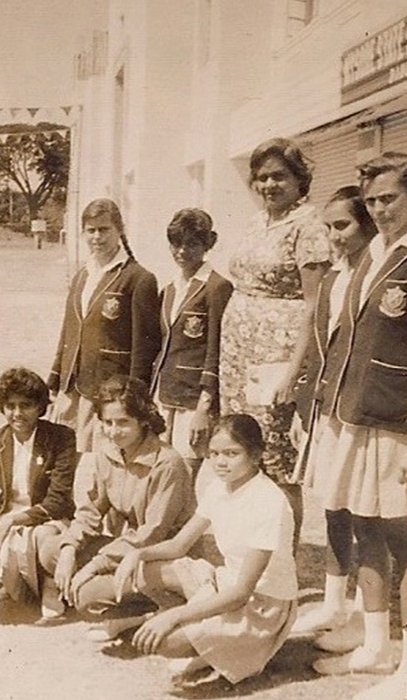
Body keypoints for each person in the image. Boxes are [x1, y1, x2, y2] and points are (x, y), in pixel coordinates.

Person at [307, 153, 407, 700]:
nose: (380, 209)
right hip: (355, 411)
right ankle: (375, 645)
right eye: (372, 201)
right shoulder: (371, 257)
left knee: (404, 537)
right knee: (364, 523)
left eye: (389, 198)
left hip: (397, 419)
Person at [111, 414, 297, 688]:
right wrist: (136, 554)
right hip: (226, 584)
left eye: (232, 453)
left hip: (262, 605)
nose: (221, 462)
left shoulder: (268, 502)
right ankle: (208, 643)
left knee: (163, 643)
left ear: (256, 455)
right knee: (146, 571)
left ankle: (229, 648)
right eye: (214, 454)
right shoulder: (218, 487)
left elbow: (242, 593)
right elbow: (179, 545)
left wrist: (173, 616)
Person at [219, 137, 330, 542]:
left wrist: (293, 371)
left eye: (279, 176)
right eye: (262, 178)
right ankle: (248, 549)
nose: (268, 185)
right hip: (238, 361)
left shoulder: (309, 226)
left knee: (277, 461)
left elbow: (315, 306)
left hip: (276, 361)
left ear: (300, 179)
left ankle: (282, 557)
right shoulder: (257, 221)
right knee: (239, 449)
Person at [290, 187, 376, 643]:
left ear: (367, 224)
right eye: (328, 227)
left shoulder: (374, 275)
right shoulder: (331, 279)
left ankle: (366, 611)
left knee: (365, 511)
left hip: (361, 411)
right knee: (332, 506)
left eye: (341, 225)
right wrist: (308, 405)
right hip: (328, 408)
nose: (333, 236)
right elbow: (320, 354)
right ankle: (333, 604)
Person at [37, 375, 195, 619]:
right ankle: (119, 594)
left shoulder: (168, 464)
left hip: (162, 557)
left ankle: (159, 608)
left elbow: (152, 535)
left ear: (143, 420)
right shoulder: (109, 452)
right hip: (126, 550)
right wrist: (70, 548)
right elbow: (91, 509)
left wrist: (94, 566)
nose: (113, 431)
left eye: (123, 422)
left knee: (86, 597)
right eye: (107, 422)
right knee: (52, 551)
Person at [48, 199, 161, 453]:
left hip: (109, 391)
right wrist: (55, 377)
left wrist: (133, 397)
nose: (97, 237)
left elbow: (144, 346)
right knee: (63, 458)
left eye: (104, 229)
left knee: (105, 460)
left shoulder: (138, 278)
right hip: (73, 385)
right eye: (91, 230)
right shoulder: (82, 275)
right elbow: (69, 330)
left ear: (119, 230)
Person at [0, 367, 77, 619]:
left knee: (43, 539)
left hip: (47, 519)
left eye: (25, 405)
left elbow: (57, 501)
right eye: (10, 406)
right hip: (7, 519)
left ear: (40, 406)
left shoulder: (61, 438)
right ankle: (12, 580)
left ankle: (49, 584)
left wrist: (11, 521)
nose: (17, 413)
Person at [151, 208, 233, 478]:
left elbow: (216, 349)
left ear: (208, 244)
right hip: (165, 394)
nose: (182, 252)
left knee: (186, 472)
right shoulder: (170, 289)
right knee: (162, 467)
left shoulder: (216, 287)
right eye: (176, 243)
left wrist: (203, 409)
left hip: (193, 399)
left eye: (192, 244)